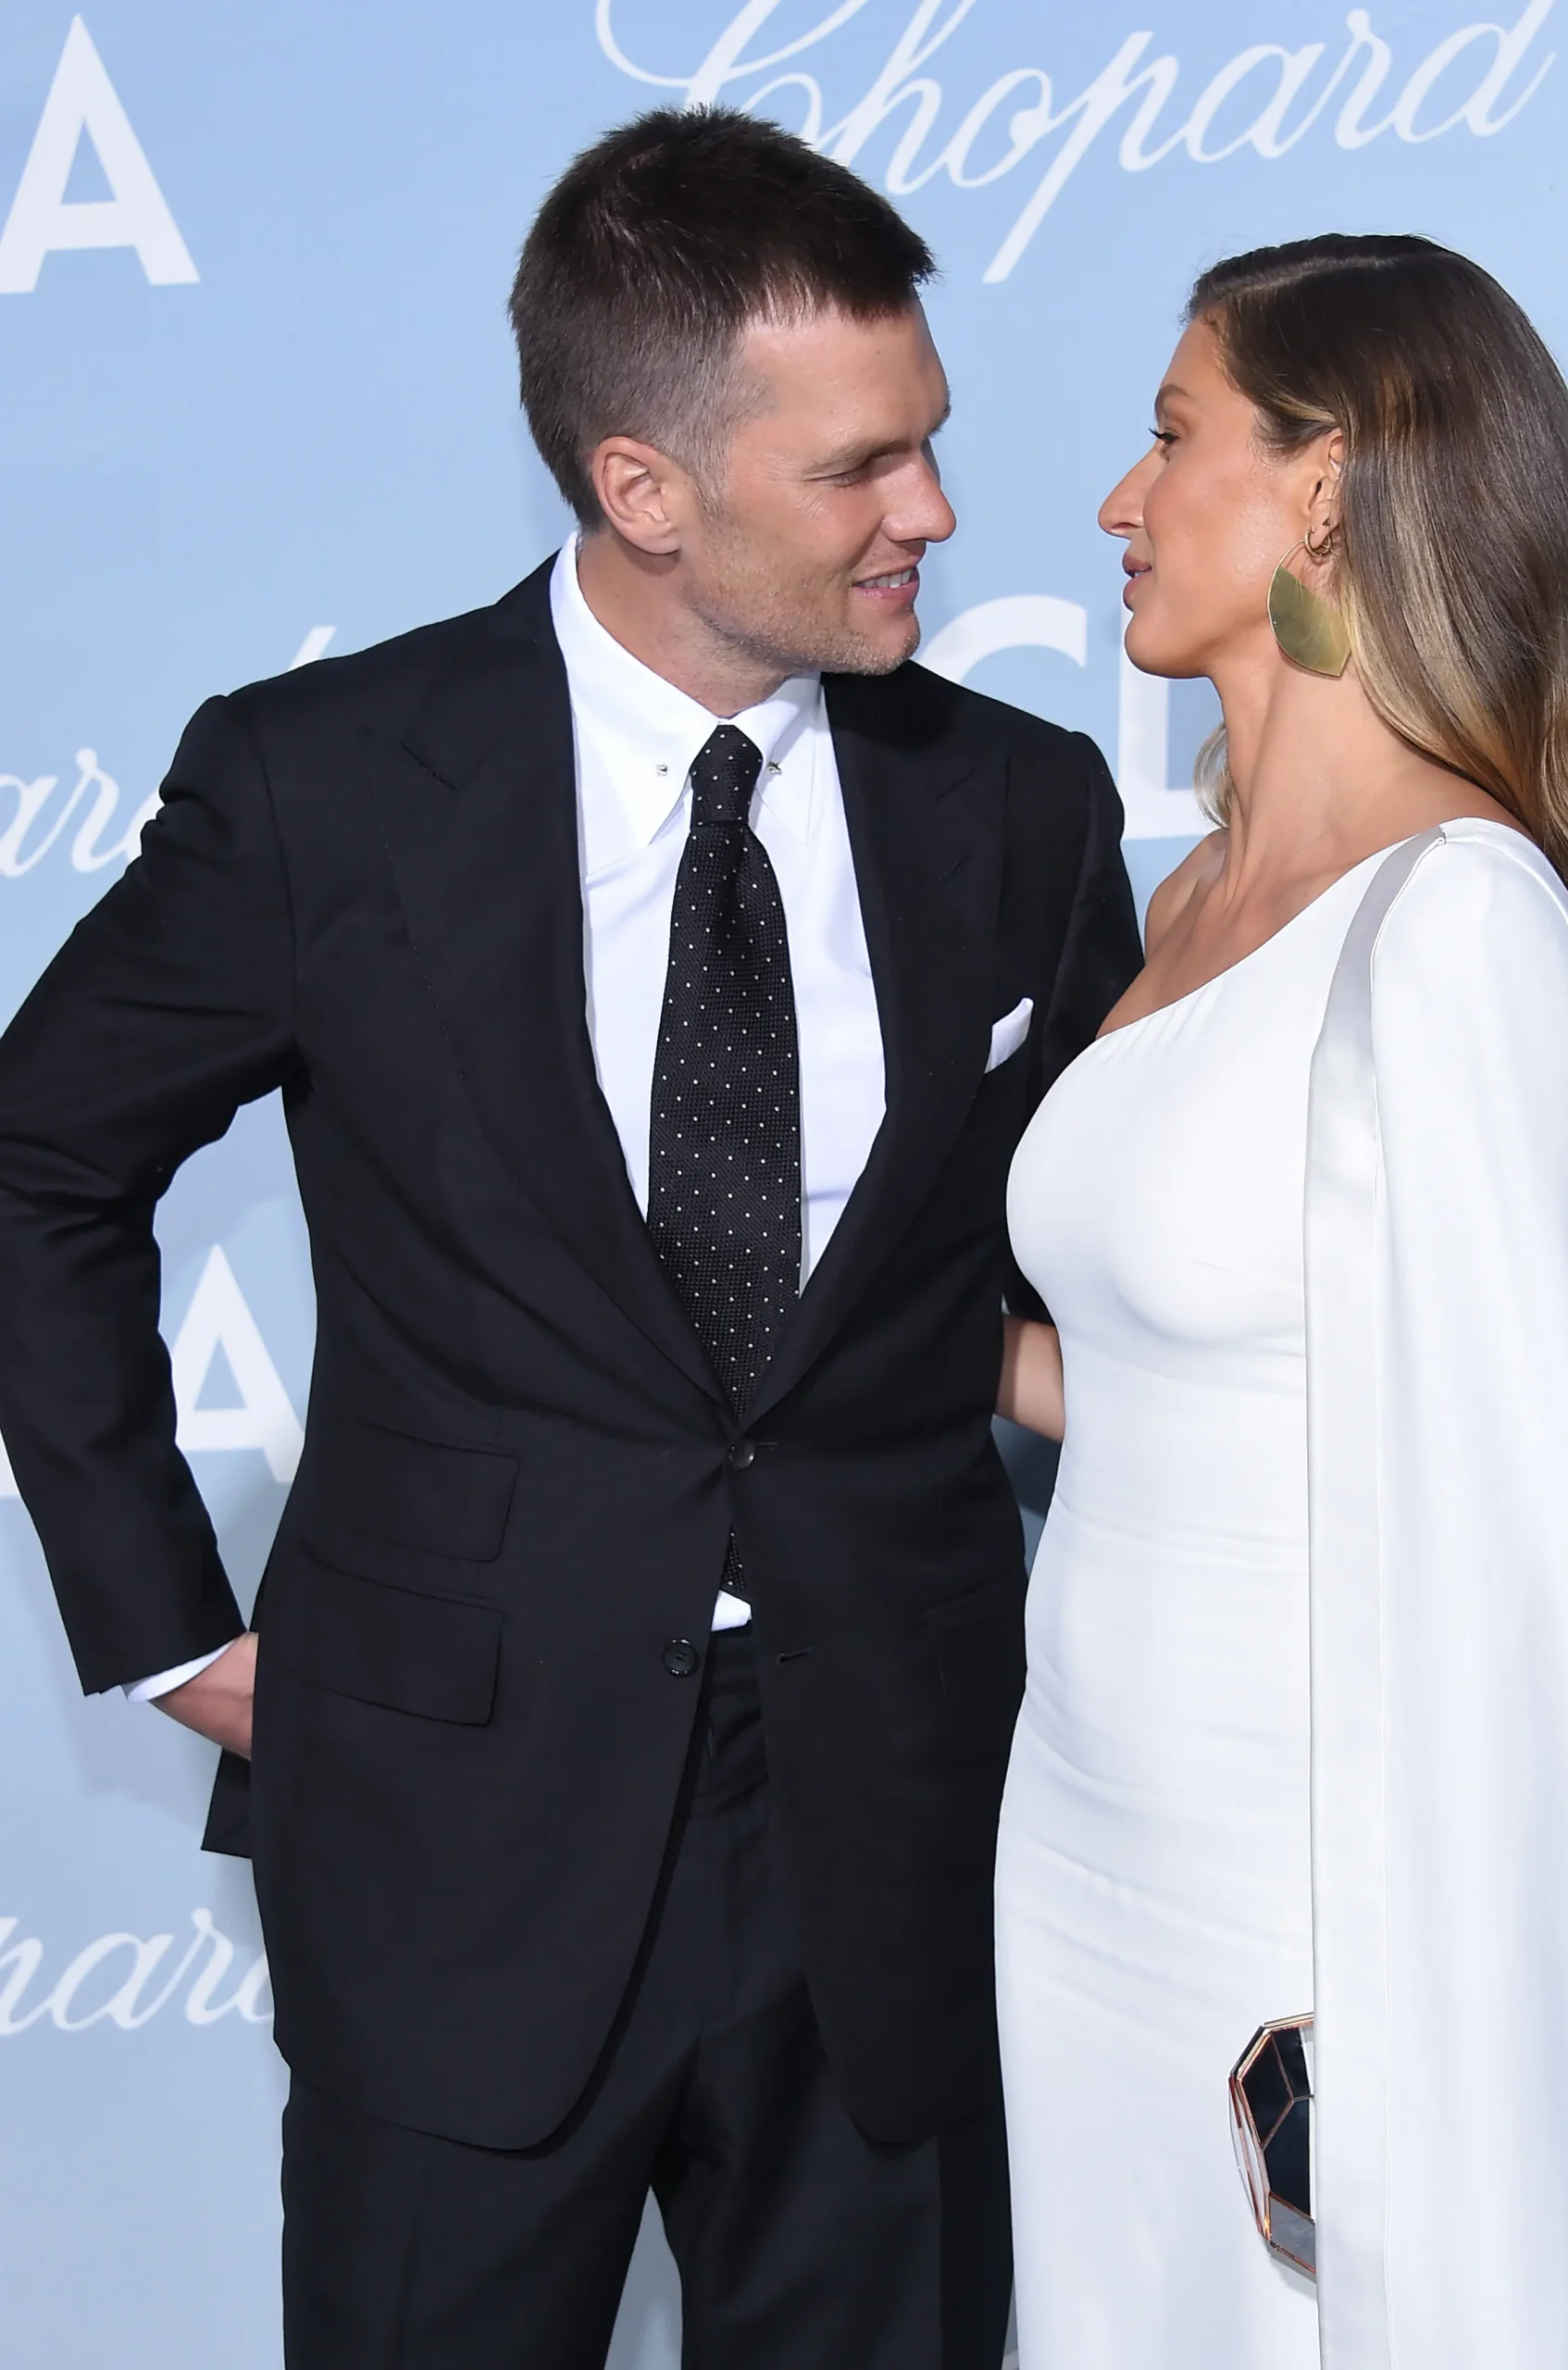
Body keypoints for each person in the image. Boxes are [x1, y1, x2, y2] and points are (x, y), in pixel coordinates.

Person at [0, 110, 1139, 2370]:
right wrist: (159, 1621)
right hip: (450, 1826)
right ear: (643, 486)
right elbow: (37, 1159)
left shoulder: (1017, 802)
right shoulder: (326, 782)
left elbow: (1074, 1254)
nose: (932, 509)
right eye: (861, 465)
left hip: (892, 1826)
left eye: (929, 440)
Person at [992, 235, 1568, 2370]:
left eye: (1171, 434)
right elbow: (1192, 1384)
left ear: (1325, 487)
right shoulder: (1186, 898)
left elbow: (1521, 1566)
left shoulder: (1456, 928)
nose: (1118, 499)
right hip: (1083, 1842)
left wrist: (1425, 2016)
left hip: (1307, 1888)